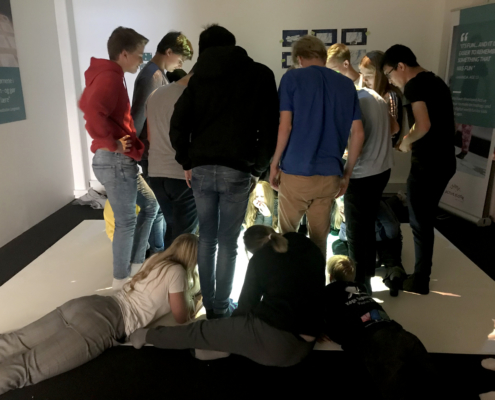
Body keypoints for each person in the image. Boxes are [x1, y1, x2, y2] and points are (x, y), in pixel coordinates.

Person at [0, 234, 200, 395]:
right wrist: (195, 300)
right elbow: (181, 316)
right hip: (104, 323)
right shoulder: (178, 272)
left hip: (90, 304)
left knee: (16, 341)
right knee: (27, 369)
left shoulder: (156, 259)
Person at [170, 24, 279, 319]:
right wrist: (257, 168)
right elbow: (270, 127)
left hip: (202, 168)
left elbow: (178, 123)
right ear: (232, 44)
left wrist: (186, 160)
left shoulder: (198, 78)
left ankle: (209, 305)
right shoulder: (260, 74)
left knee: (207, 239)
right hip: (238, 168)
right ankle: (220, 306)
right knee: (228, 241)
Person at [129, 225, 325, 367]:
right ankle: (224, 347)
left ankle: (144, 336)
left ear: (251, 251)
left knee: (200, 330)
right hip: (308, 344)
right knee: (248, 327)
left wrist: (226, 329)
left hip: (278, 348)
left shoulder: (259, 260)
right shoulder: (303, 244)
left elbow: (245, 308)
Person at [79, 27, 159, 289]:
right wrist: (111, 143)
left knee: (150, 206)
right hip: (116, 161)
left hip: (120, 161)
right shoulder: (110, 77)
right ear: (124, 53)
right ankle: (121, 282)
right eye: (139, 55)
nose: (141, 60)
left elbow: (86, 104)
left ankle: (135, 266)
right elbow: (92, 111)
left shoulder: (110, 76)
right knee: (126, 221)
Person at [270, 35, 364, 258]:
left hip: (296, 172)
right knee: (320, 241)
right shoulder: (346, 84)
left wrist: (274, 164)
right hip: (329, 175)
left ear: (299, 59)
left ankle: (288, 279)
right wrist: (347, 173)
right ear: (323, 57)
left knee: (286, 238)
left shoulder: (292, 78)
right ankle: (316, 280)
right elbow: (358, 133)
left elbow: (285, 126)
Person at [382, 45, 456, 294]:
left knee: (419, 221)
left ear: (401, 66)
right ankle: (422, 274)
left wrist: (406, 141)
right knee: (425, 218)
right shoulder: (436, 81)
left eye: (389, 74)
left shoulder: (413, 86)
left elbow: (423, 125)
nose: (391, 80)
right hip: (446, 161)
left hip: (428, 164)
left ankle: (421, 279)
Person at [329, 50, 398, 294]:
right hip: (382, 170)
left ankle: (359, 287)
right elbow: (393, 128)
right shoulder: (375, 96)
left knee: (357, 234)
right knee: (366, 227)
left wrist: (346, 168)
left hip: (363, 174)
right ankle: (366, 280)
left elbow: (356, 138)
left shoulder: (355, 98)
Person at [323, 256, 438, 400]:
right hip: (396, 331)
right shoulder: (360, 288)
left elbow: (330, 322)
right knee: (430, 376)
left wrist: (325, 331)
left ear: (330, 276)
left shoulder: (327, 292)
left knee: (396, 390)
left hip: (375, 344)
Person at [147, 67, 198, 250]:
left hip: (156, 172)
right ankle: (175, 268)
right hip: (182, 174)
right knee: (183, 238)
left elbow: (150, 136)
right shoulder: (192, 96)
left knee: (172, 228)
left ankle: (165, 264)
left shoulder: (156, 94)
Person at [331, 197, 406, 296]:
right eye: (340, 208)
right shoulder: (341, 210)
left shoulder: (376, 206)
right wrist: (345, 220)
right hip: (367, 248)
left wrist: (372, 240)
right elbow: (342, 237)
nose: (342, 210)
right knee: (338, 245)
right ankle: (393, 269)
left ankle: (392, 271)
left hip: (377, 243)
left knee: (391, 243)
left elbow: (392, 231)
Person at [359, 50, 403, 145]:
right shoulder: (370, 96)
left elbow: (392, 133)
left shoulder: (390, 96)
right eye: (363, 75)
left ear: (381, 75)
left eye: (369, 76)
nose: (364, 80)